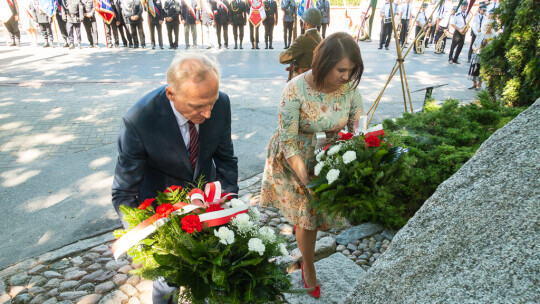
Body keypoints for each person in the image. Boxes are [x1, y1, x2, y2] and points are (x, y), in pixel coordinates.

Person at [112, 53, 239, 304]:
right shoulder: (139, 120)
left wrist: (229, 203)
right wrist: (149, 242)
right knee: (167, 284)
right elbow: (124, 192)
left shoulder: (220, 103)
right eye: (197, 106)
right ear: (171, 94)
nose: (208, 113)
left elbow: (225, 160)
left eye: (211, 101)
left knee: (207, 277)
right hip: (162, 215)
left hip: (207, 207)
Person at [261, 32, 364, 299]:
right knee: (307, 218)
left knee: (322, 216)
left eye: (351, 70)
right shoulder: (295, 89)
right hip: (296, 156)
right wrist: (307, 180)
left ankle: (307, 253)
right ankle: (308, 266)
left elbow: (358, 126)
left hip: (331, 155)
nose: (346, 76)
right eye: (341, 69)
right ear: (323, 63)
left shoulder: (350, 89)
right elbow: (288, 139)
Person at [279, 7, 321, 80]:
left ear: (306, 23)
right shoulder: (320, 36)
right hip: (315, 76)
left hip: (303, 78)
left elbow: (282, 59)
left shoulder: (302, 39)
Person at [468, 13, 496, 91]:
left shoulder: (492, 36)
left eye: (489, 25)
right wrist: (475, 49)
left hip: (484, 56)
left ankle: (479, 85)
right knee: (473, 69)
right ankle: (474, 84)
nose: (487, 27)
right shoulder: (480, 34)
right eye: (486, 25)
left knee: (480, 70)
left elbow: (491, 47)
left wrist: (484, 49)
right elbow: (473, 44)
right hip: (476, 54)